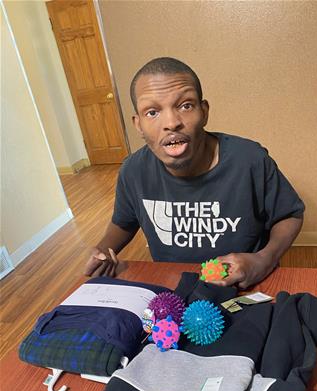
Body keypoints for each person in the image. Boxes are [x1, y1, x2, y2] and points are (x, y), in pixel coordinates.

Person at [84, 57, 304, 289]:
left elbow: (289, 214)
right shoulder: (133, 171)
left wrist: (264, 259)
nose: (171, 122)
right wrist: (103, 251)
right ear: (138, 124)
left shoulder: (250, 159)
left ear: (204, 111)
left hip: (244, 286)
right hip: (173, 288)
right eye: (152, 112)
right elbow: (124, 222)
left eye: (185, 105)